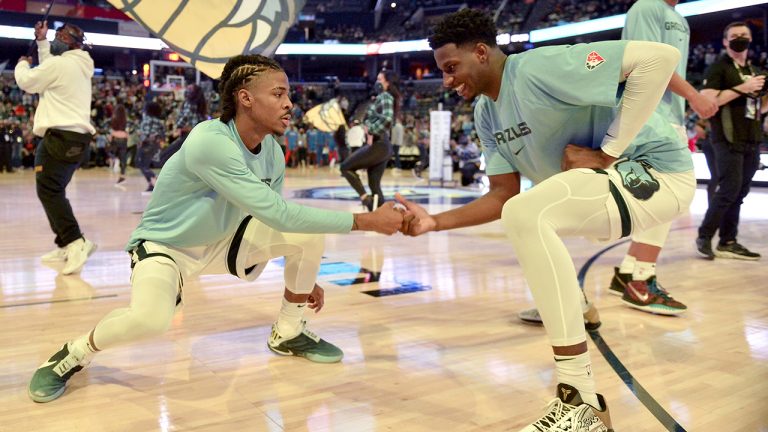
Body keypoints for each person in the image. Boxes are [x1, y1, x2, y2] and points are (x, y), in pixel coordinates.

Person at [28, 54, 404, 404]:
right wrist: (365, 220)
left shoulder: (272, 151)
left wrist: (304, 278)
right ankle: (73, 353)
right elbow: (281, 215)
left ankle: (288, 332)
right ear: (245, 98)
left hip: (226, 244)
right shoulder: (210, 140)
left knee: (307, 236)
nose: (290, 103)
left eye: (288, 94)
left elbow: (275, 220)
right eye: (278, 93)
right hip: (166, 247)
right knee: (150, 319)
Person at [397, 9, 696, 430]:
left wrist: (608, 150)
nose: (446, 81)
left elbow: (659, 58)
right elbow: (502, 196)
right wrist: (434, 223)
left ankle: (581, 402)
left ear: (481, 52)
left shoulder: (538, 67)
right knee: (525, 212)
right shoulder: (486, 113)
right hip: (608, 185)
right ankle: (578, 305)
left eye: (451, 68)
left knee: (530, 214)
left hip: (655, 171)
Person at [518, 0, 718, 324]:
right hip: (647, 115)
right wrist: (695, 96)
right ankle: (635, 280)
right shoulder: (647, 7)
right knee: (657, 193)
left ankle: (629, 274)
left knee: (656, 195)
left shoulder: (678, 17)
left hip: (669, 114)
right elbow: (654, 64)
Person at [14, 21, 97, 275]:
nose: (56, 39)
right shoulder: (80, 63)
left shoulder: (60, 65)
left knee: (49, 192)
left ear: (71, 42)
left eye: (60, 36)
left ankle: (76, 242)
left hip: (58, 138)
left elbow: (27, 82)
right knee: (54, 191)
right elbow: (51, 64)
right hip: (78, 139)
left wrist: (22, 64)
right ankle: (65, 243)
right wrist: (42, 42)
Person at [695, 22, 764, 260]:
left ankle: (728, 241)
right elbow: (707, 101)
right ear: (725, 42)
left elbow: (760, 107)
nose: (739, 39)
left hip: (752, 138)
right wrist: (743, 88)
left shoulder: (755, 71)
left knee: (740, 192)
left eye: (744, 35)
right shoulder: (718, 68)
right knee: (728, 189)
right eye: (734, 36)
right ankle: (704, 235)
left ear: (751, 39)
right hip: (726, 138)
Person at [340, 70, 400, 211]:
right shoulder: (382, 97)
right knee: (374, 184)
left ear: (388, 82)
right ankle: (384, 215)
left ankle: (365, 199)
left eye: (380, 79)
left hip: (379, 144)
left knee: (345, 167)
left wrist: (371, 129)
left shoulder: (385, 96)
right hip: (383, 146)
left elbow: (387, 119)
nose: (376, 82)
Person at [136, 101, 166, 193]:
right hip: (155, 145)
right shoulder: (159, 121)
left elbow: (145, 134)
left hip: (147, 144)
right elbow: (163, 134)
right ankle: (151, 184)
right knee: (146, 165)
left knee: (140, 164)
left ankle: (154, 177)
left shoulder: (147, 119)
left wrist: (141, 137)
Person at [110, 104, 129, 184]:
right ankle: (122, 176)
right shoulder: (126, 120)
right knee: (123, 158)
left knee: (111, 153)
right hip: (123, 139)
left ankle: (115, 159)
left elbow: (109, 130)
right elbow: (129, 131)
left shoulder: (113, 119)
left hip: (115, 138)